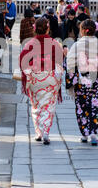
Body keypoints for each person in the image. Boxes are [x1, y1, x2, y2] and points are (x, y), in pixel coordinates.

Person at [66, 19, 98, 146]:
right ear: (94, 30)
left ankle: (84, 133)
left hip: (82, 81)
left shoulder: (77, 45)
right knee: (95, 107)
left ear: (81, 31)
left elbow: (70, 63)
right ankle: (93, 133)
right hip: (96, 81)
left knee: (82, 107)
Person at [19, 17, 64, 145]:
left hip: (35, 77)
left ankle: (38, 132)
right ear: (48, 28)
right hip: (51, 77)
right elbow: (60, 60)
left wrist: (28, 72)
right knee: (48, 105)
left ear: (35, 29)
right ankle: (46, 132)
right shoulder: (54, 43)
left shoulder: (30, 43)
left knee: (36, 105)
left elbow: (23, 60)